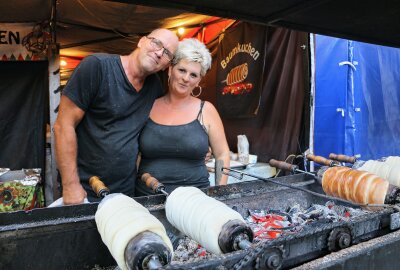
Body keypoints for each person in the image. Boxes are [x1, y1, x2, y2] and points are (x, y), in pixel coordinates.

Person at [54, 29, 179, 204]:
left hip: (125, 192)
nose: (159, 53)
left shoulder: (154, 88)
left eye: (167, 53)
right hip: (85, 191)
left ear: (167, 65)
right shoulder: (96, 67)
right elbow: (63, 125)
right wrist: (70, 185)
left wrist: (193, 145)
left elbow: (156, 130)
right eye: (156, 43)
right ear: (141, 41)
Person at [135, 38, 230, 196]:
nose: (186, 78)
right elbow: (134, 153)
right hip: (147, 198)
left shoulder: (206, 110)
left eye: (194, 75)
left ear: (199, 80)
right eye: (182, 70)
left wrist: (219, 192)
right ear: (170, 70)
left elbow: (222, 154)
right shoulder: (148, 106)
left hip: (195, 200)